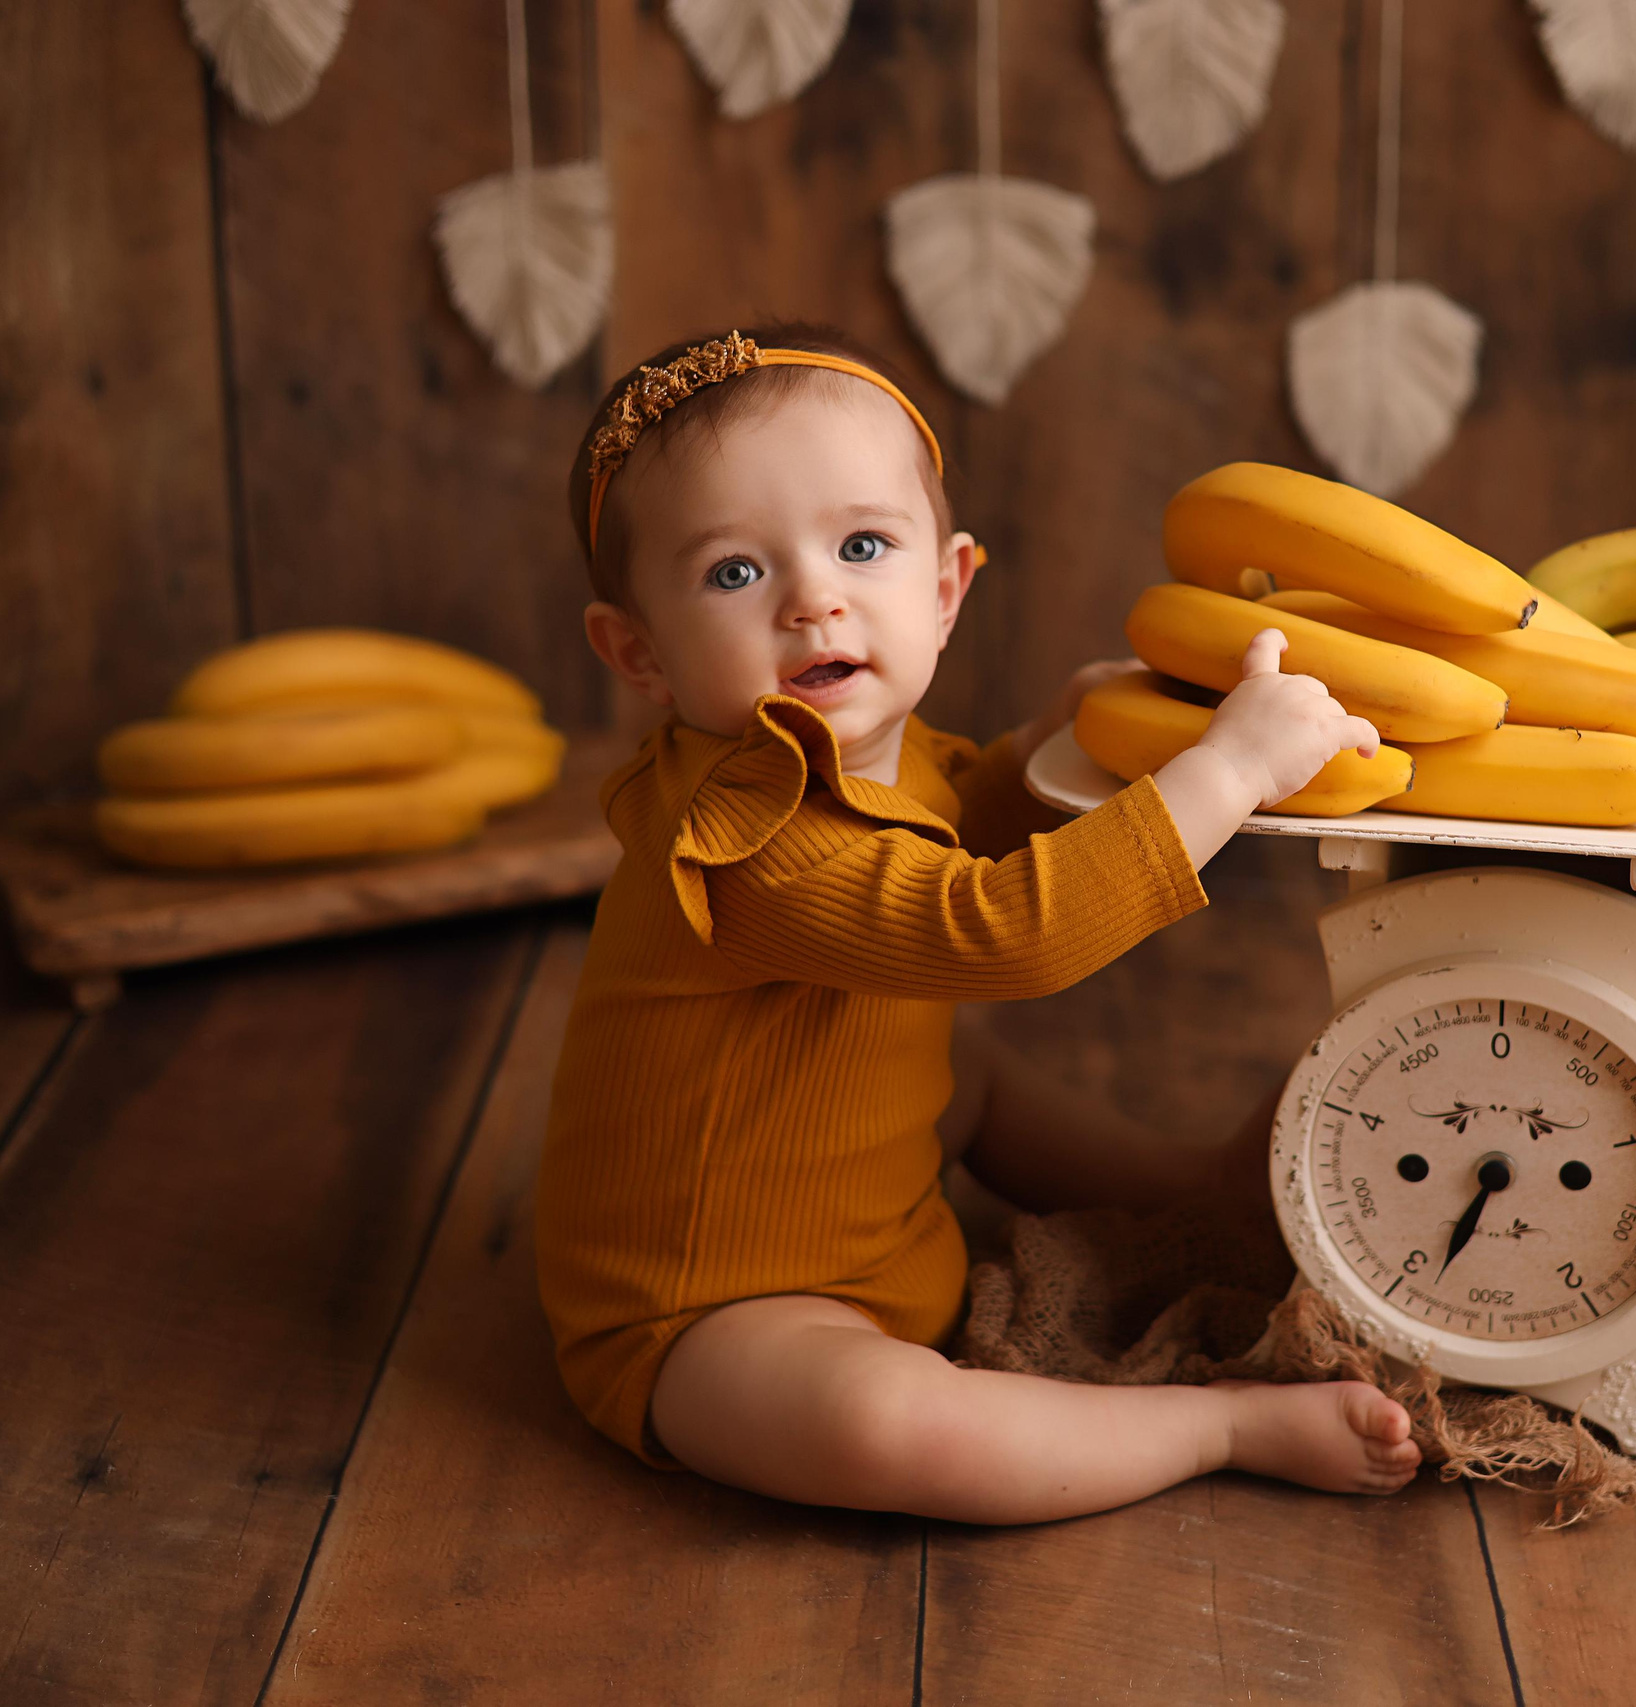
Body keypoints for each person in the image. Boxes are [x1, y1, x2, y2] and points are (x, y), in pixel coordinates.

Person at [538, 324, 1421, 1524]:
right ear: (635, 651)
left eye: (860, 546)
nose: (813, 600)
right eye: (735, 573)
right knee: (884, 1426)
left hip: (877, 1210)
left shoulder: (880, 760)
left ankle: (1182, 1189)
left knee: (968, 1074)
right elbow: (1001, 931)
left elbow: (962, 815)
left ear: (945, 589)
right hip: (716, 1310)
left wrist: (1070, 731)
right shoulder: (742, 834)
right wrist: (1230, 773)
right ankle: (1218, 1424)